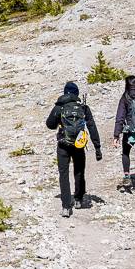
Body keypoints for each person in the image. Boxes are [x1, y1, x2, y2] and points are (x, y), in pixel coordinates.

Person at [45, 81, 102, 217]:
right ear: (76, 93)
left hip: (63, 144)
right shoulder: (83, 107)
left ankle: (66, 206)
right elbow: (92, 127)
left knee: (63, 174)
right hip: (79, 144)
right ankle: (78, 199)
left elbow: (50, 125)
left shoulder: (59, 107)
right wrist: (97, 147)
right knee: (79, 170)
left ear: (65, 93)